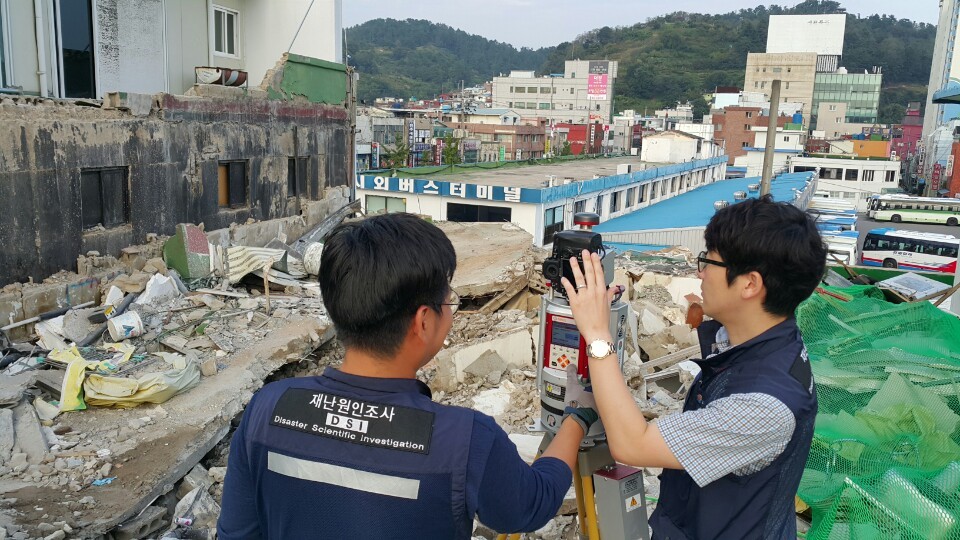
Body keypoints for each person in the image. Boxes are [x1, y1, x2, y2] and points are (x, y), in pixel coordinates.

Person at [218, 213, 596, 539]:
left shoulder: (268, 408)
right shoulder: (465, 440)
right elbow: (529, 504)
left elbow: (236, 532)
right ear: (424, 321)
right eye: (450, 301)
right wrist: (577, 418)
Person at [562, 195, 825, 539]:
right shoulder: (760, 343)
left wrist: (597, 335)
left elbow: (632, 445)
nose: (699, 272)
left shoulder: (766, 404)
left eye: (708, 262)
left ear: (750, 283)